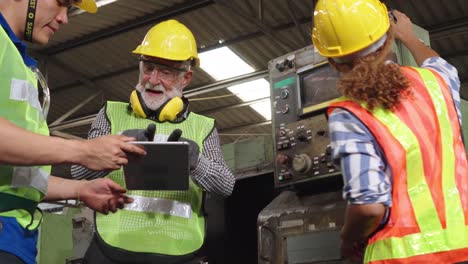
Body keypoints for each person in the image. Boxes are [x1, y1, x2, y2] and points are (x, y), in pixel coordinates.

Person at [312, 0, 468, 263]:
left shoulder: (349, 114)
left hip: (398, 258)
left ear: (334, 62)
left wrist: (348, 240)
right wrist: (408, 36)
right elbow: (437, 62)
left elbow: (369, 207)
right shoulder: (437, 83)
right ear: (387, 39)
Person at [71, 19, 236, 264]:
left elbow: (226, 185)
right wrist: (117, 149)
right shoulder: (110, 114)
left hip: (179, 251)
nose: (153, 79)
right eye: (148, 68)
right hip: (112, 248)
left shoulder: (204, 126)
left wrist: (195, 162)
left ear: (186, 78)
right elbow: (77, 171)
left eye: (166, 72)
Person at [0, 1, 147, 263]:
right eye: (60, 3)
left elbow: (16, 179)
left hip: (16, 236)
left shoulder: (21, 65)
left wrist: (81, 189)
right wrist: (82, 150)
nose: (64, 18)